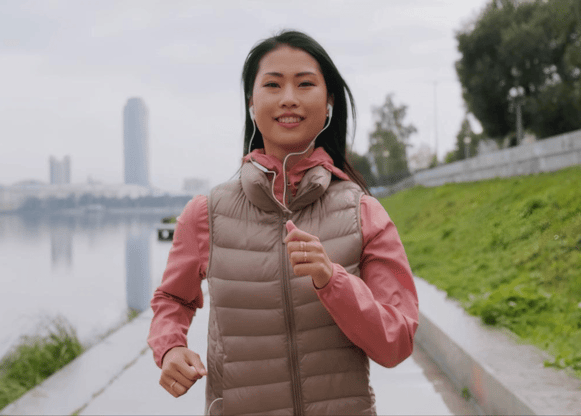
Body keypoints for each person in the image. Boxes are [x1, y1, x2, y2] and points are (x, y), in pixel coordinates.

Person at [147, 29, 418, 415]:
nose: (288, 98)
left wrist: (333, 281)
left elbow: (397, 343)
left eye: (305, 84)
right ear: (251, 105)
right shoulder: (206, 213)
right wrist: (170, 346)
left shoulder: (363, 212)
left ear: (328, 104)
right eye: (273, 85)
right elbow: (172, 298)